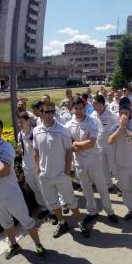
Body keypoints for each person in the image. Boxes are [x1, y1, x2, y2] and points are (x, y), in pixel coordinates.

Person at [0, 117, 46, 259]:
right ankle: (14, 245)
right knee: (5, 223)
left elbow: (3, 171)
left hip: (12, 195)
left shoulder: (6, 148)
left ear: (1, 131)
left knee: (26, 221)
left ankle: (38, 245)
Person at [33, 101, 90, 238]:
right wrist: (37, 168)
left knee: (71, 201)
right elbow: (35, 151)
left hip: (61, 175)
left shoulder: (62, 129)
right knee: (53, 203)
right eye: (47, 112)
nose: (50, 115)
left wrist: (66, 170)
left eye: (53, 112)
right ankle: (62, 222)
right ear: (41, 113)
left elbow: (69, 151)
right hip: (45, 176)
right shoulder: (36, 130)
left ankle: (80, 222)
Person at [66, 98, 118, 224]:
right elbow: (68, 146)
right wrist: (76, 145)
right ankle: (92, 212)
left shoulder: (92, 121)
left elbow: (91, 143)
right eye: (76, 108)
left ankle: (109, 211)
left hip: (94, 160)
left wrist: (75, 144)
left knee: (101, 188)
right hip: (79, 162)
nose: (78, 111)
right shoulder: (68, 125)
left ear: (85, 108)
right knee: (86, 189)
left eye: (80, 108)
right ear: (73, 109)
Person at [17, 112, 50, 220]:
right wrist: (19, 149)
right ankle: (44, 209)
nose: (19, 124)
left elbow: (43, 150)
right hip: (27, 167)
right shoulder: (20, 135)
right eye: (18, 122)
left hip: (37, 166)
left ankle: (53, 211)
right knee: (35, 189)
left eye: (21, 122)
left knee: (43, 189)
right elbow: (21, 151)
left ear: (28, 121)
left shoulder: (35, 133)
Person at [91, 94, 119, 191]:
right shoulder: (93, 115)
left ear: (102, 104)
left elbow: (118, 126)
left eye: (95, 103)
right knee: (103, 167)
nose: (93, 105)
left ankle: (121, 186)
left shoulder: (111, 115)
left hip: (111, 145)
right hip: (99, 146)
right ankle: (108, 185)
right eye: (93, 103)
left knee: (114, 166)